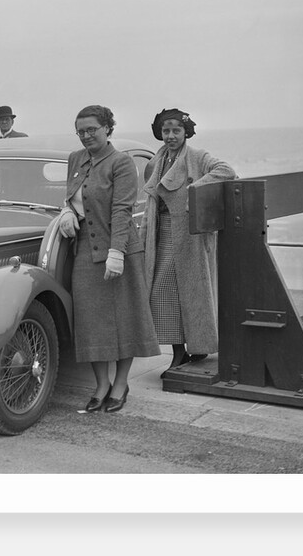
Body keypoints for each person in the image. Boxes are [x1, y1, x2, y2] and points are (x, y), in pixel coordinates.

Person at [58, 105, 159, 413]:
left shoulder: (122, 162)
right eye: (81, 131)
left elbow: (121, 209)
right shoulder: (76, 159)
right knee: (91, 323)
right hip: (86, 251)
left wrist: (117, 253)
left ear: (108, 129)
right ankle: (101, 384)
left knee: (123, 320)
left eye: (92, 130)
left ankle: (120, 383)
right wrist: (65, 211)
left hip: (120, 249)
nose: (86, 136)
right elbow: (72, 196)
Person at [140, 108, 237, 373]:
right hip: (161, 232)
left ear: (186, 132)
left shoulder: (197, 156)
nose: (170, 136)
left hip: (189, 235)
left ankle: (187, 351)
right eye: (165, 131)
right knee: (164, 293)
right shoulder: (156, 161)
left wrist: (194, 191)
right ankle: (181, 351)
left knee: (185, 293)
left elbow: (227, 171)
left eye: (176, 130)